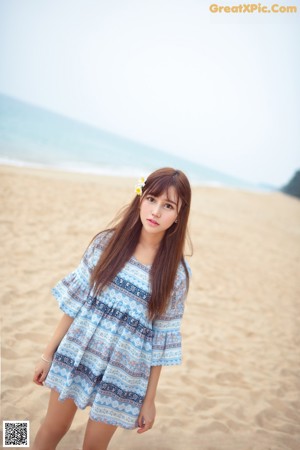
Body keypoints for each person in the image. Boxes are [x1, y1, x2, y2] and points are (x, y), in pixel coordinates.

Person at [32, 167, 192, 450]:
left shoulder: (176, 274)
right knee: (52, 429)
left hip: (125, 371)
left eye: (168, 206)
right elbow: (75, 302)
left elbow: (161, 339)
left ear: (179, 215)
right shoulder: (107, 243)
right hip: (78, 350)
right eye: (152, 199)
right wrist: (47, 355)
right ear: (140, 198)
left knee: (94, 447)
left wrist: (150, 399)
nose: (156, 211)